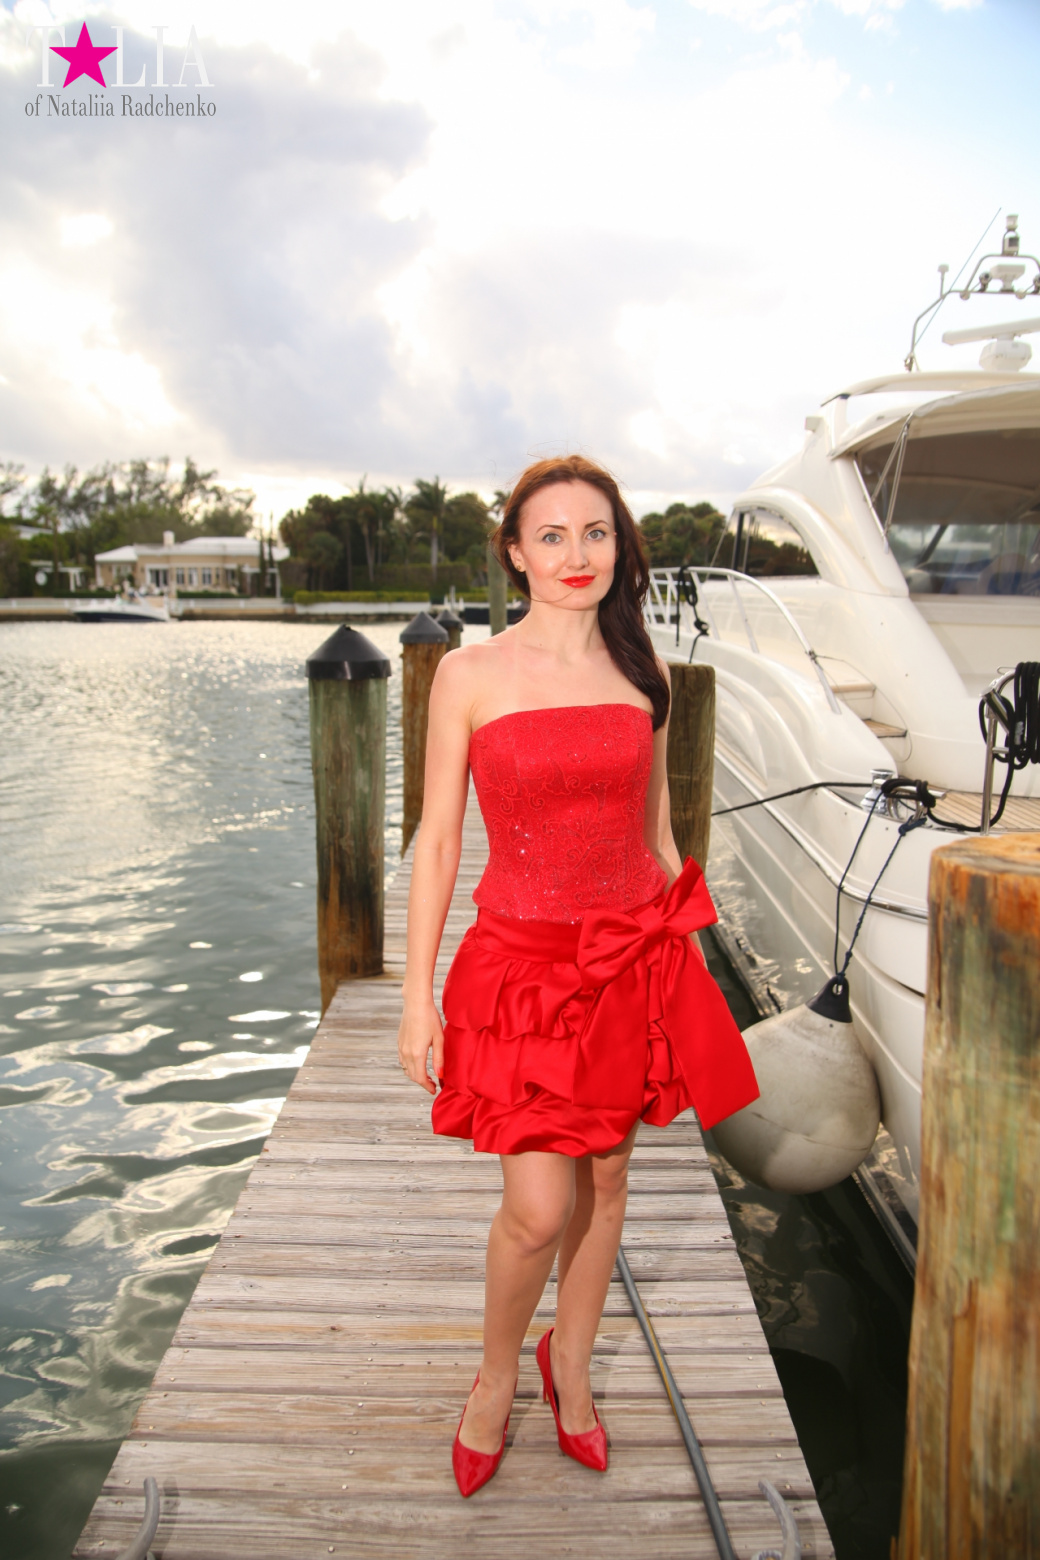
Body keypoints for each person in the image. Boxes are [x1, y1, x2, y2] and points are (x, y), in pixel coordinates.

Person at [396, 455, 758, 1497]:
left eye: (592, 533)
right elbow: (432, 843)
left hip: (628, 963)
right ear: (513, 552)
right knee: (537, 1206)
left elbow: (655, 835)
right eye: (549, 536)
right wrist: (416, 994)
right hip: (517, 971)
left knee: (606, 1180)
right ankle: (496, 1375)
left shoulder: (643, 676)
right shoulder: (467, 676)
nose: (573, 555)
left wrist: (680, 968)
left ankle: (572, 1368)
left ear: (618, 546)